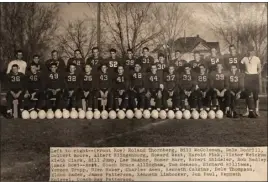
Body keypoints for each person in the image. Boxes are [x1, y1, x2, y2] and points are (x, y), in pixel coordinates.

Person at [240, 46, 261, 117]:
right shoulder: (244, 58)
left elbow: (259, 68)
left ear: (253, 51)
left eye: (251, 51)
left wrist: (256, 74)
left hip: (254, 77)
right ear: (247, 51)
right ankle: (247, 111)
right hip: (247, 77)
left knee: (256, 95)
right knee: (247, 94)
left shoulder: (257, 58)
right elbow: (240, 66)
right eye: (249, 51)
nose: (250, 52)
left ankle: (257, 110)